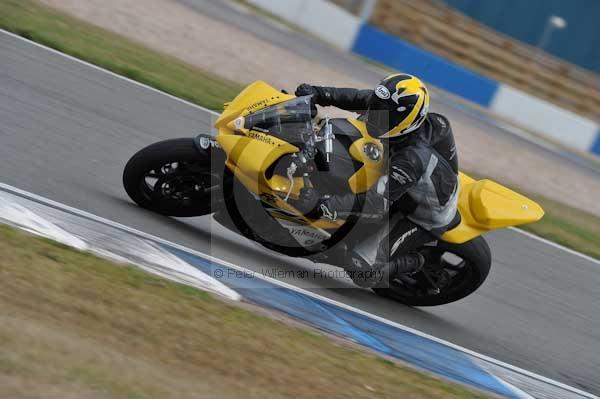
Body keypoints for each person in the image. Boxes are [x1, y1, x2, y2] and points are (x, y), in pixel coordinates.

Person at [294, 74, 460, 287]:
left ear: (404, 121)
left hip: (420, 214)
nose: (374, 115)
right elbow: (359, 98)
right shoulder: (400, 115)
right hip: (406, 180)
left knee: (361, 271)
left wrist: (321, 205)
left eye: (382, 115)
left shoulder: (411, 158)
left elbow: (375, 202)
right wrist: (318, 93)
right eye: (376, 107)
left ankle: (416, 261)